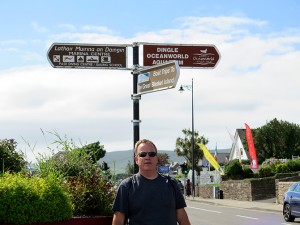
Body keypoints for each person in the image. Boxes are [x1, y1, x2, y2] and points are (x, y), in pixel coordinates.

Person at [112, 139, 191, 225]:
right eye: (142, 154)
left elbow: (181, 216)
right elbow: (118, 220)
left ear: (156, 159)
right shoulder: (126, 186)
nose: (147, 157)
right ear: (136, 159)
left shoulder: (171, 183)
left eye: (152, 154)